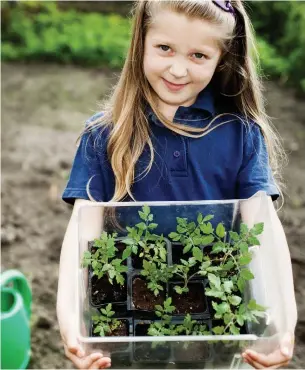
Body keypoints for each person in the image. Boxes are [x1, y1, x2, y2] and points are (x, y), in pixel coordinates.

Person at [57, 0, 297, 369]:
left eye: (199, 55)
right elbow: (83, 236)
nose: (178, 68)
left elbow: (262, 228)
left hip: (215, 325)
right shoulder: (104, 134)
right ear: (141, 43)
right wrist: (72, 320)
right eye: (164, 48)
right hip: (125, 326)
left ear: (222, 60)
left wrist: (284, 323)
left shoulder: (241, 134)